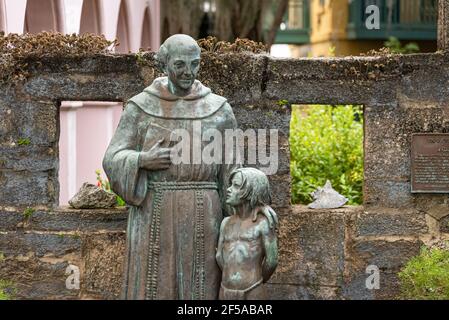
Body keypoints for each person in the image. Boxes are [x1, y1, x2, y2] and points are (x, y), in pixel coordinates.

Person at [103, 34, 239, 299]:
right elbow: (112, 157)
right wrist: (142, 160)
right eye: (180, 65)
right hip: (155, 210)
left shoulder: (219, 109)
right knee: (155, 285)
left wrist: (244, 214)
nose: (188, 72)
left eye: (195, 64)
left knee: (202, 287)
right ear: (164, 64)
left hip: (205, 213)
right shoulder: (140, 107)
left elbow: (231, 173)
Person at [216, 167, 278, 300]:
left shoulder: (263, 224)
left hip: (252, 290)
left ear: (251, 192)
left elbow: (271, 261)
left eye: (236, 186)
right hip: (225, 290)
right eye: (231, 184)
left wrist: (256, 279)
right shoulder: (225, 223)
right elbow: (219, 256)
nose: (229, 189)